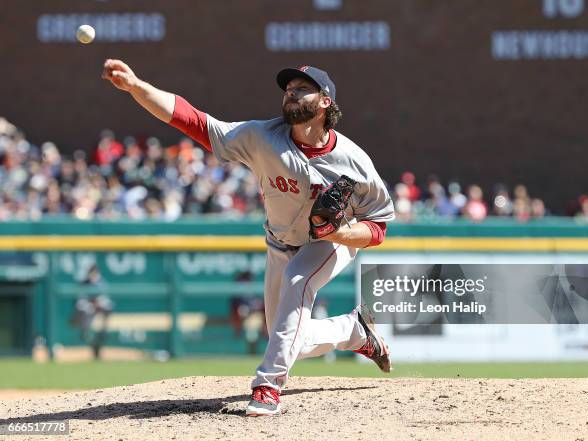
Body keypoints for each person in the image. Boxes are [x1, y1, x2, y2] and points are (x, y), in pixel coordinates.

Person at [101, 59, 395, 416]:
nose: (291, 93)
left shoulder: (353, 161)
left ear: (325, 102)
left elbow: (378, 227)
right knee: (288, 336)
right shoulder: (262, 137)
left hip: (330, 243)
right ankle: (355, 332)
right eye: (288, 89)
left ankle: (267, 386)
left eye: (302, 89)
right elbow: (192, 120)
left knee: (299, 280)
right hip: (279, 242)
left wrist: (341, 231)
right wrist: (136, 87)